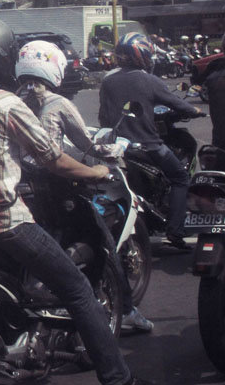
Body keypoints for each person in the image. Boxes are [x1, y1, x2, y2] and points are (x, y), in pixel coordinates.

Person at [0, 16, 158, 385]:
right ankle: (120, 381)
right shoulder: (6, 103)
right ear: (0, 56)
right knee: (77, 289)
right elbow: (53, 159)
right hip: (3, 222)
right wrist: (97, 170)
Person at [16, 40, 153, 333]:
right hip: (55, 187)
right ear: (54, 68)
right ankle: (125, 310)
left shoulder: (13, 100)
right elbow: (87, 144)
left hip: (20, 187)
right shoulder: (58, 103)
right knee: (103, 244)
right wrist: (112, 152)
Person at [99, 32, 204, 250]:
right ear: (144, 54)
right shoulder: (148, 80)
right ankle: (175, 231)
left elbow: (104, 117)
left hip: (118, 147)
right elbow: (177, 103)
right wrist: (195, 110)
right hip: (149, 145)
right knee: (180, 177)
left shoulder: (107, 81)